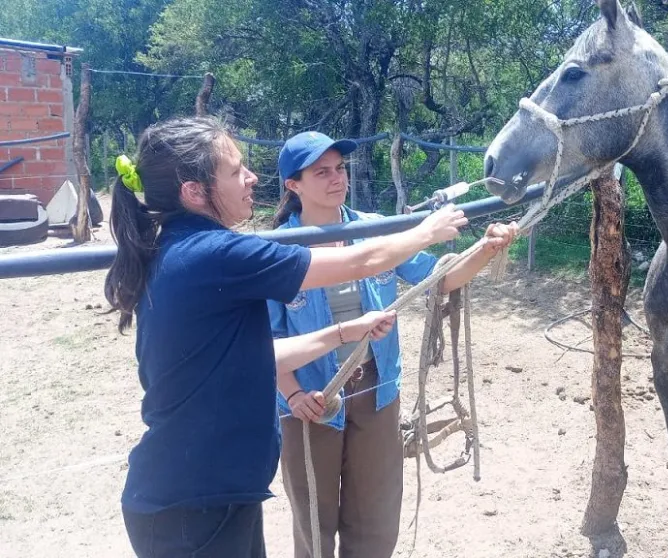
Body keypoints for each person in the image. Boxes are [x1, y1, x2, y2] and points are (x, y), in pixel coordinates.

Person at [103, 116, 469, 557]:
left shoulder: (184, 248)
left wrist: (341, 333)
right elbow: (361, 262)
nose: (252, 177)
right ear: (194, 192)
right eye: (236, 170)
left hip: (208, 487)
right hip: (194, 500)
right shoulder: (217, 254)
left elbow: (260, 353)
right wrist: (427, 230)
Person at [268, 131, 518, 558]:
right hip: (310, 400)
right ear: (294, 185)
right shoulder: (277, 250)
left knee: (376, 517)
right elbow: (268, 339)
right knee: (313, 521)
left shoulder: (377, 231)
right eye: (321, 172)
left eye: (340, 168)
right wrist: (292, 394)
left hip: (376, 391)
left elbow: (441, 278)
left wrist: (485, 249)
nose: (337, 178)